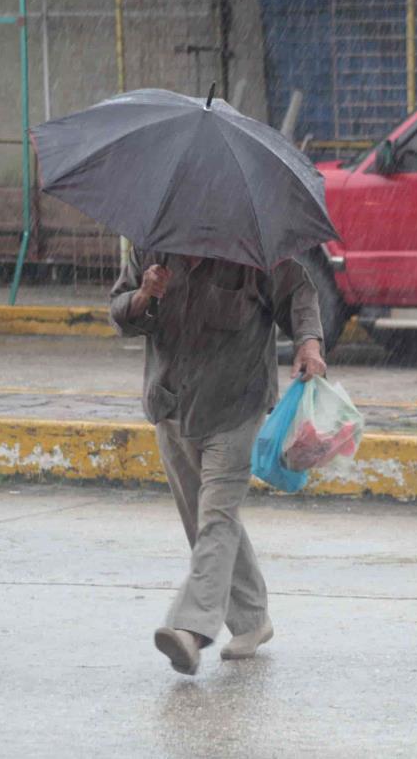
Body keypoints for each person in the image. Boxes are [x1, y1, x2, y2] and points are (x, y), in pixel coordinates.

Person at [111, 249, 326, 674]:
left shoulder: (254, 251)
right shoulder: (150, 243)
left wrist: (309, 343)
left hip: (236, 406)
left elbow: (299, 292)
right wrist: (143, 295)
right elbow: (119, 311)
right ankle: (251, 618)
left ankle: (190, 629)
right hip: (171, 404)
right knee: (205, 522)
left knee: (217, 519)